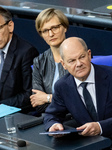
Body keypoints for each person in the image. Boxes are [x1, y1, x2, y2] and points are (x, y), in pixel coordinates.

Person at [44, 37, 112, 138]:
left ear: (89, 55)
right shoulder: (62, 86)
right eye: (72, 61)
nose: (79, 64)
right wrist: (54, 125)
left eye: (82, 57)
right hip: (88, 144)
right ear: (64, 64)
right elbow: (51, 115)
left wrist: (101, 127)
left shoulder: (110, 76)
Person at [30, 8, 69, 115]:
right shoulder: (39, 61)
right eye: (45, 31)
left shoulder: (76, 55)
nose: (51, 34)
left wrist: (47, 97)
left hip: (75, 119)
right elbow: (38, 103)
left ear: (64, 27)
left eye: (55, 28)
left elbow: (79, 99)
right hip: (48, 118)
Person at [0, 6, 39, 109]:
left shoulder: (27, 52)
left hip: (15, 114)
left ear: (10, 26)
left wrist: (1, 105)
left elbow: (29, 94)